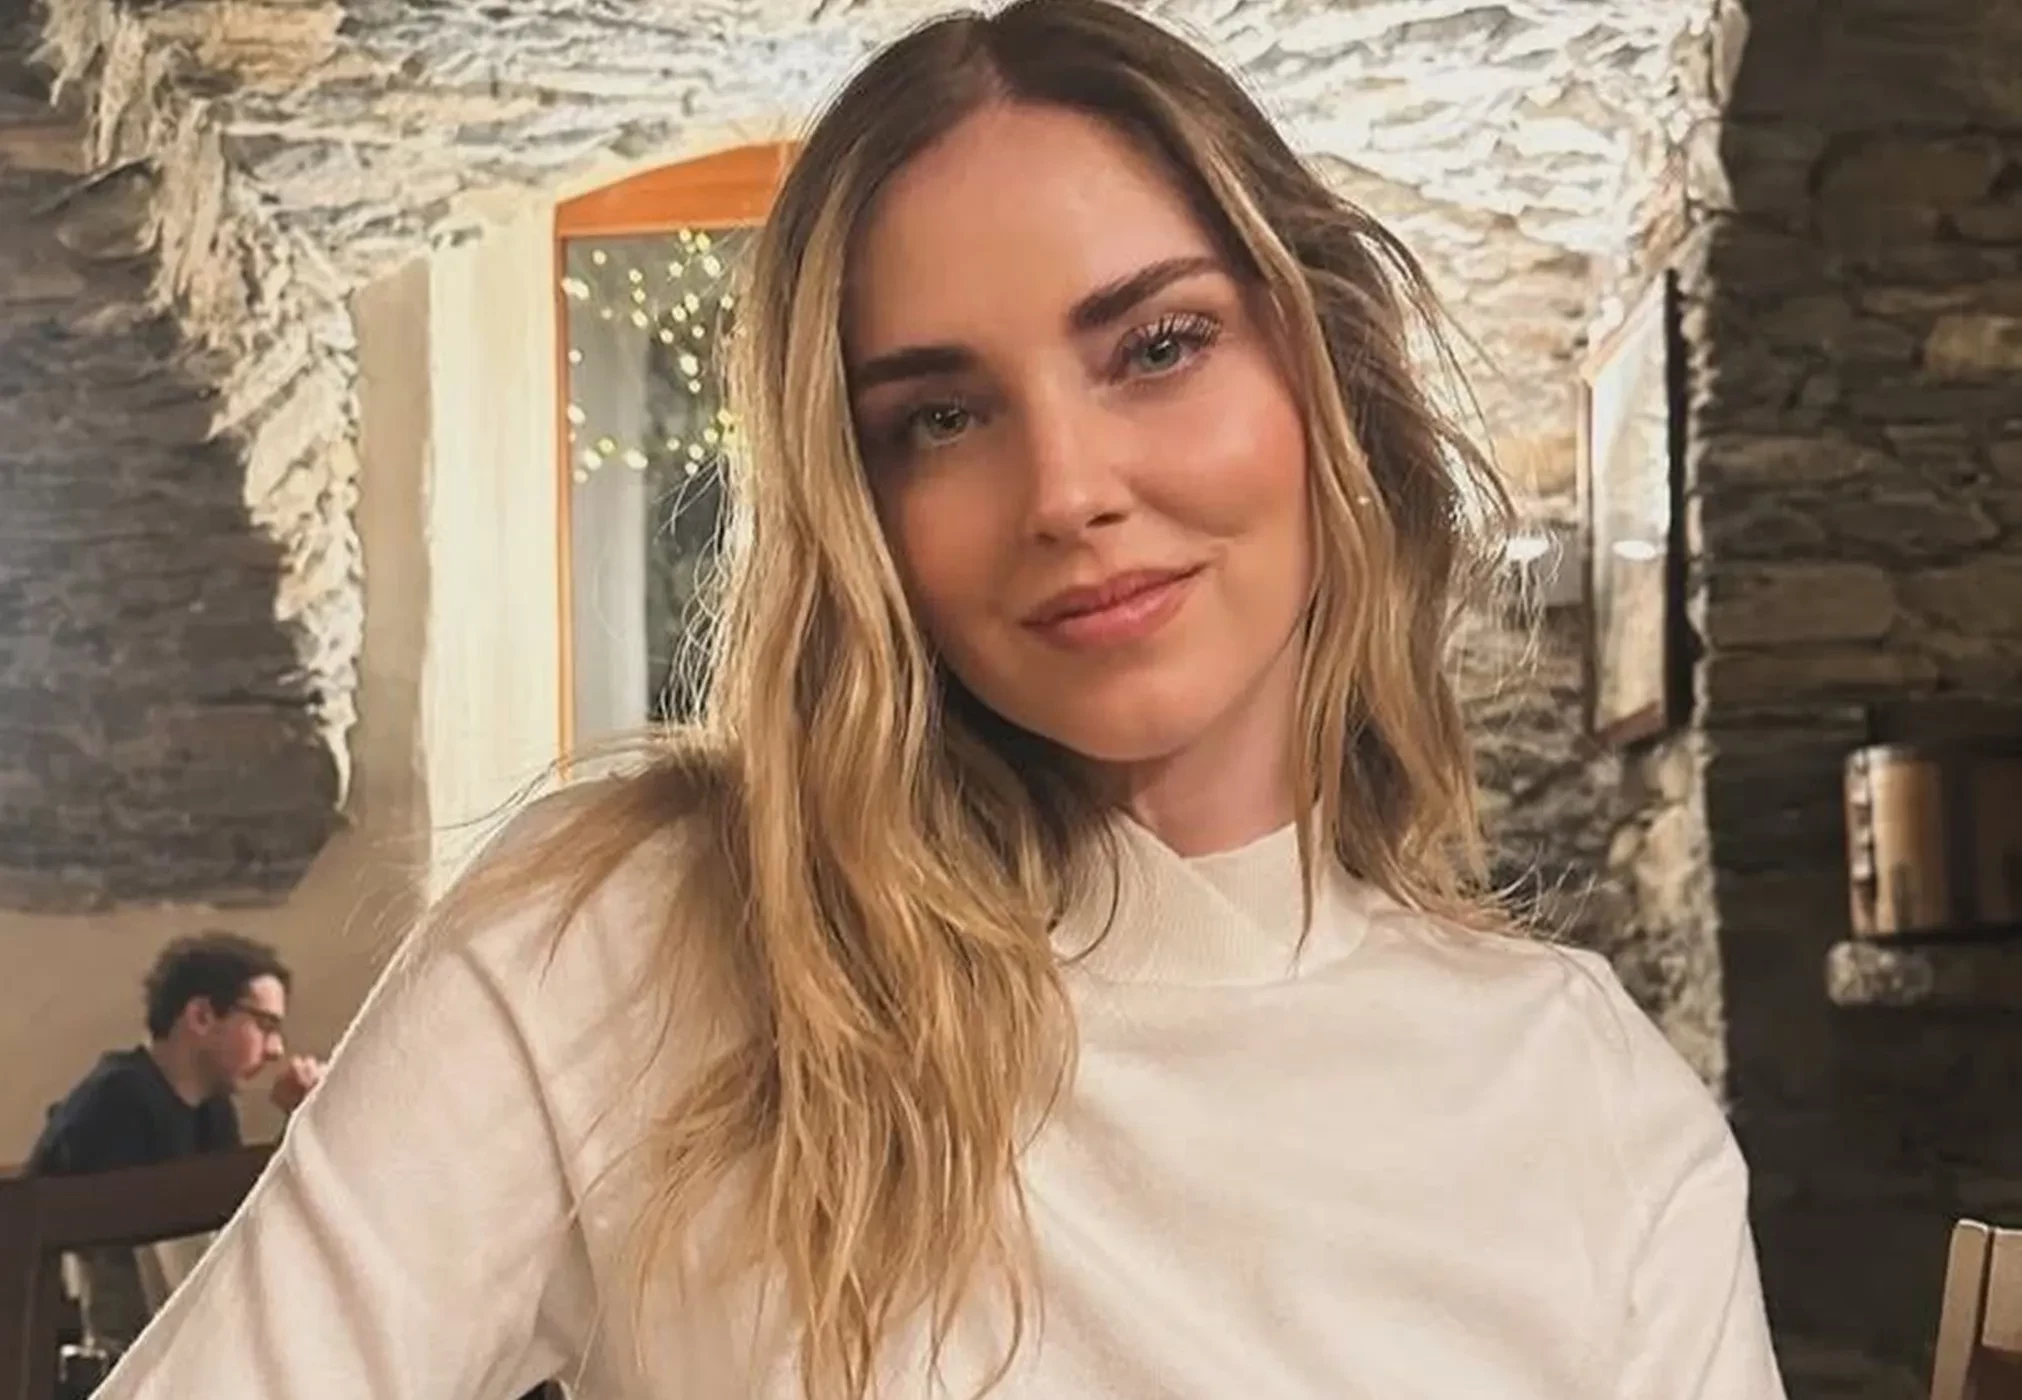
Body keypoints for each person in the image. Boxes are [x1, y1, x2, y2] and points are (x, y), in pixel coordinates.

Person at [94, 2, 1788, 1396]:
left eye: (1156, 345)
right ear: (860, 506)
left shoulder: (1586, 1104)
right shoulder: (636, 933)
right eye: (940, 419)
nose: (1067, 489)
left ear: (1323, 367)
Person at [29, 931, 324, 1177]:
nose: (276, 1050)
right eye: (265, 1026)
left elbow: (233, 1217)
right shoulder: (117, 1102)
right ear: (201, 1017)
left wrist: (302, 1120)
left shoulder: (215, 1109)